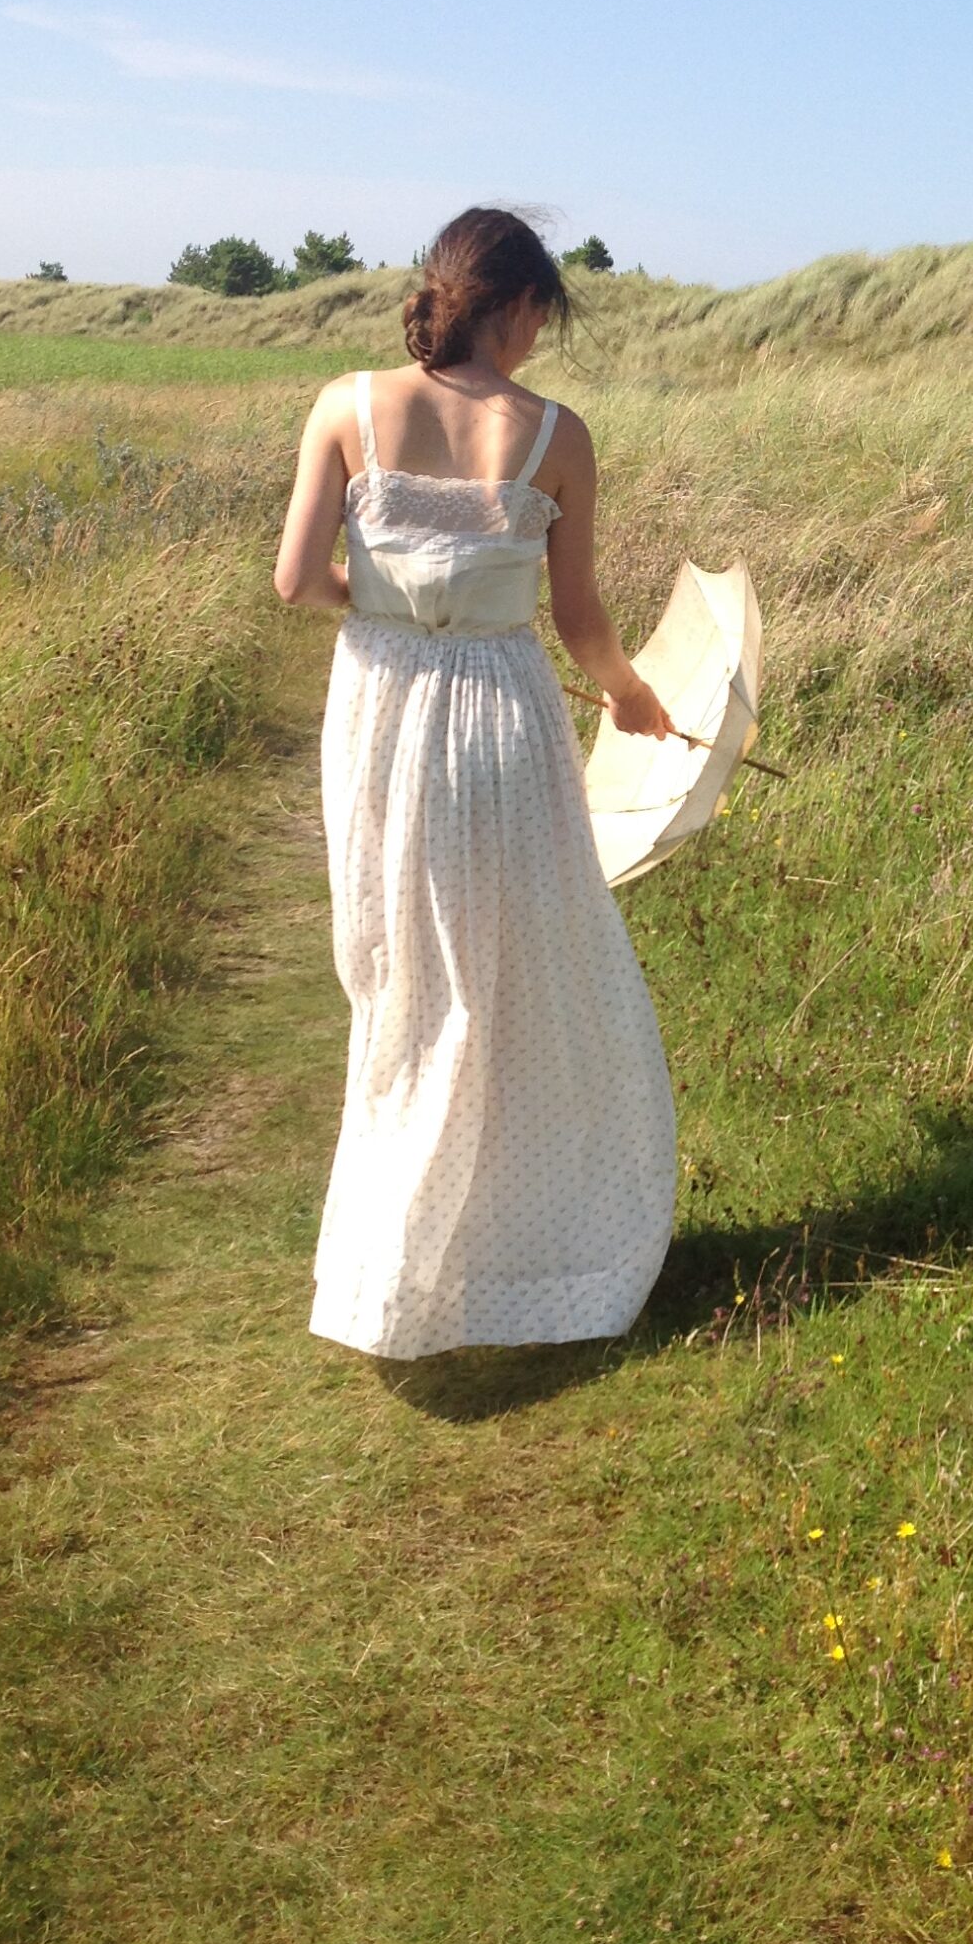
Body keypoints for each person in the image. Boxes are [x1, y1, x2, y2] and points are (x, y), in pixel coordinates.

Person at [272, 205, 678, 1359]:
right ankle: (517, 1249)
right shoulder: (558, 437)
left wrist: (393, 607)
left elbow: (297, 580)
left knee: (396, 971)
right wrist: (633, 698)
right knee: (504, 973)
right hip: (504, 716)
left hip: (381, 714)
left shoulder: (347, 405)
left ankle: (392, 1266)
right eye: (545, 312)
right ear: (519, 305)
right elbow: (582, 620)